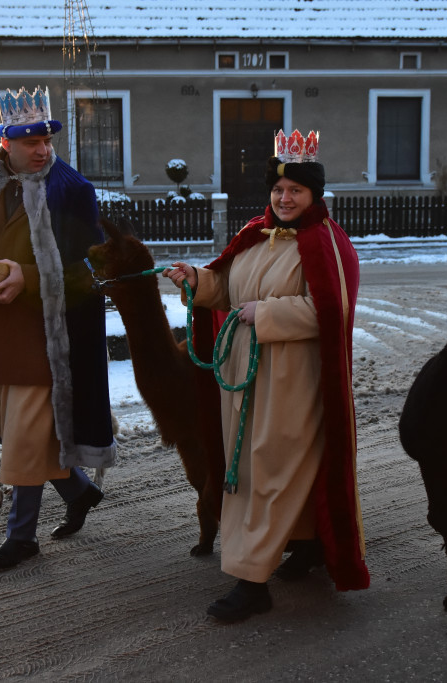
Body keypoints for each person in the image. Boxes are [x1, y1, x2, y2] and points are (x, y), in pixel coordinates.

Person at [165, 129, 369, 621]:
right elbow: (226, 289)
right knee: (251, 468)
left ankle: (251, 581)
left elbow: (332, 310)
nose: (284, 198)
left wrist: (270, 314)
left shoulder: (327, 244)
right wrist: (198, 281)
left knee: (270, 470)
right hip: (243, 380)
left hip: (292, 383)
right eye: (279, 190)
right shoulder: (255, 237)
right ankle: (309, 542)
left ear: (313, 194)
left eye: (295, 190)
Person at [0, 86, 116, 571]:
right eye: (31, 141)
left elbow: (90, 270)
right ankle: (79, 492)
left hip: (47, 343)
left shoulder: (72, 189)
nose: (42, 150)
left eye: (47, 140)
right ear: (6, 143)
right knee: (24, 436)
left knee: (21, 442)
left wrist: (30, 277)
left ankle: (21, 538)